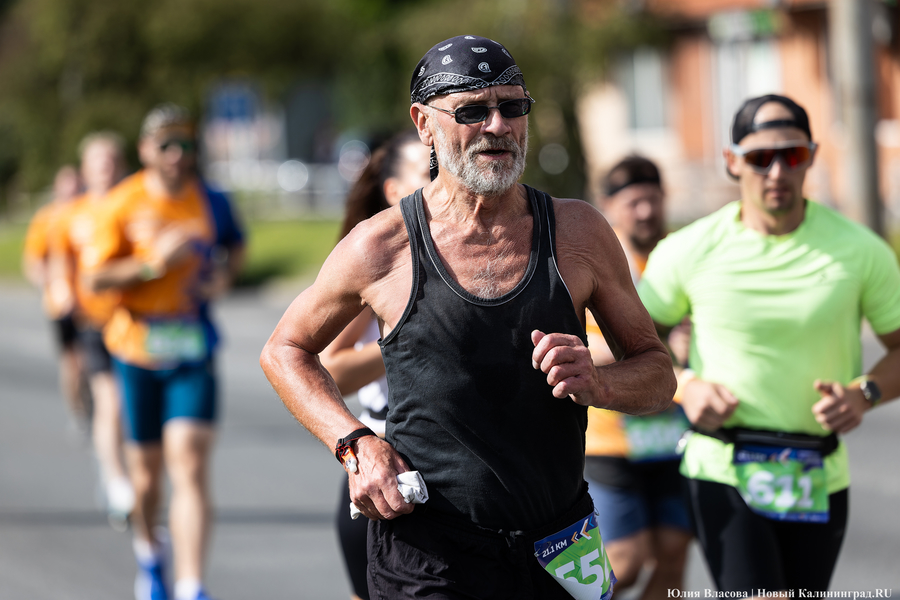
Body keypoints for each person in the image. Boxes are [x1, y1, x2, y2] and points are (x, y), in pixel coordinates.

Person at [261, 35, 675, 600]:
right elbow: (285, 350)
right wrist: (356, 443)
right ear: (424, 124)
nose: (498, 126)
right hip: (430, 553)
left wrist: (600, 383)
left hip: (560, 542)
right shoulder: (383, 246)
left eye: (513, 107)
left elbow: (657, 373)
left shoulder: (579, 233)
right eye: (472, 111)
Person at [637, 94, 900, 595]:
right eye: (761, 158)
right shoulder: (690, 249)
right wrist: (685, 386)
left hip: (818, 471)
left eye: (792, 155)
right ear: (732, 161)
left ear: (813, 156)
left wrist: (864, 393)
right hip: (722, 464)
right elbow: (628, 341)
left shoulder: (861, 250)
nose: (777, 171)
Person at [83, 104, 245, 600]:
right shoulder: (121, 203)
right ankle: (149, 552)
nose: (177, 155)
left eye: (186, 145)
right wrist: (153, 265)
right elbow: (94, 277)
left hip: (192, 346)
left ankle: (192, 585)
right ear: (145, 150)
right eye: (166, 146)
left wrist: (223, 277)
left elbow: (235, 246)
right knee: (147, 477)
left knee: (190, 464)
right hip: (136, 348)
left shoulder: (211, 199)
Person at [320, 129, 430, 600]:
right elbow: (330, 369)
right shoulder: (379, 265)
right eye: (428, 174)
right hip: (389, 469)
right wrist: (403, 344)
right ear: (392, 191)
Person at [583, 156, 692, 599]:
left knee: (673, 555)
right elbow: (580, 351)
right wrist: (654, 341)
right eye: (633, 202)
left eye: (652, 199)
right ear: (608, 206)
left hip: (675, 433)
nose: (645, 211)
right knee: (622, 565)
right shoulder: (595, 262)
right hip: (610, 439)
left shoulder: (686, 256)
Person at [51, 132, 134, 527]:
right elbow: (57, 262)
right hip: (94, 320)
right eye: (98, 160)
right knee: (110, 400)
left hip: (136, 319)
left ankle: (121, 467)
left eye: (112, 158)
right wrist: (64, 291)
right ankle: (116, 479)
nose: (106, 166)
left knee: (134, 407)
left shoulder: (135, 203)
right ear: (85, 168)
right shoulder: (72, 213)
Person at [22, 165, 89, 436]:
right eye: (66, 184)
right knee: (71, 362)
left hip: (92, 302)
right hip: (61, 303)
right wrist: (49, 282)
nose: (71, 190)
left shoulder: (90, 212)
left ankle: (95, 407)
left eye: (75, 184)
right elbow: (33, 261)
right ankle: (77, 411)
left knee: (91, 361)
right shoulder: (47, 218)